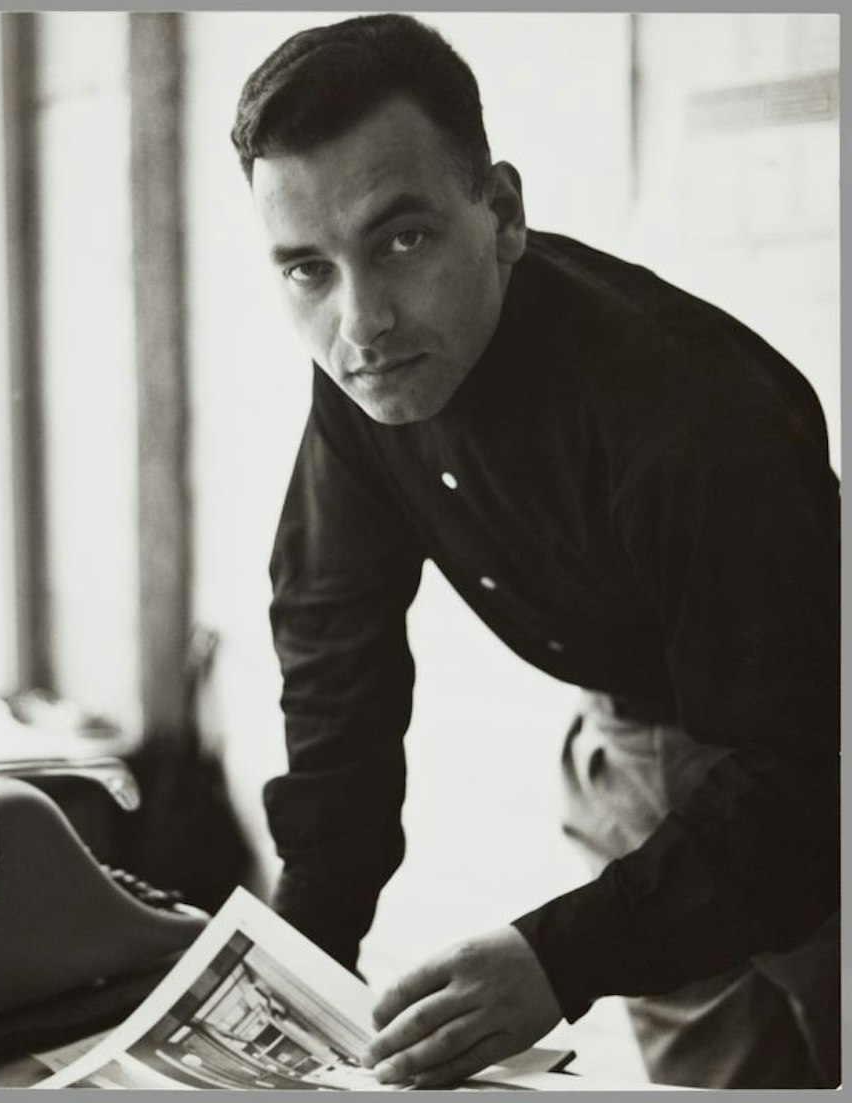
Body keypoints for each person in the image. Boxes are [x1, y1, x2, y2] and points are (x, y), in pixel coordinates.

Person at [229, 13, 840, 1090]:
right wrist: (307, 948)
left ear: (500, 212)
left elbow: (800, 774)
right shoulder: (361, 376)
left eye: (401, 240)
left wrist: (556, 958)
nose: (358, 323)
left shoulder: (694, 413)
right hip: (634, 742)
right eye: (306, 270)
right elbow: (334, 653)